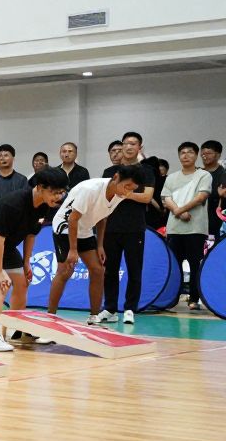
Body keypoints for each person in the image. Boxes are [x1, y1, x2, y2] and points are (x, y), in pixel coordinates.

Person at [0, 167, 69, 352]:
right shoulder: (13, 204)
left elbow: (31, 234)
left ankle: (19, 330)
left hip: (7, 245)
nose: (58, 197)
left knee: (22, 282)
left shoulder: (45, 205)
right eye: (54, 192)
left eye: (61, 193)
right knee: (2, 284)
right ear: (40, 187)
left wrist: (26, 262)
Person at [49, 167, 143, 322]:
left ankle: (93, 316)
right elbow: (72, 219)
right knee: (65, 270)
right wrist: (73, 250)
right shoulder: (90, 189)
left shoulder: (120, 194)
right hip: (65, 226)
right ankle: (50, 316)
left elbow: (103, 217)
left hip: (84, 228)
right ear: (116, 177)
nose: (127, 193)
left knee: (98, 270)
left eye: (131, 190)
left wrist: (100, 245)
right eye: (126, 187)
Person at [100, 132, 156, 324]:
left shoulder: (146, 171)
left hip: (135, 227)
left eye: (133, 143)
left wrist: (124, 193)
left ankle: (130, 308)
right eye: (126, 144)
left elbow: (147, 197)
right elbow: (105, 196)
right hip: (111, 227)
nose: (129, 147)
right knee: (110, 270)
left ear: (139, 147)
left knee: (134, 269)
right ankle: (110, 308)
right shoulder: (110, 172)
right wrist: (127, 192)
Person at [163, 142, 213, 310]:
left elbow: (201, 197)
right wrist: (178, 211)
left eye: (190, 152)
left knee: (194, 263)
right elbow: (166, 198)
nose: (185, 155)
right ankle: (172, 298)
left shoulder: (204, 175)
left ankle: (194, 298)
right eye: (182, 152)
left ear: (196, 155)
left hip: (195, 228)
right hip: (175, 228)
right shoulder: (171, 178)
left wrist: (180, 210)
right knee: (174, 265)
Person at [0, 144, 30, 214]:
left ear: (13, 158)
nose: (2, 158)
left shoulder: (22, 179)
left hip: (14, 219)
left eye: (6, 155)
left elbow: (26, 202)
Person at [201, 140, 224, 241]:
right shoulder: (198, 173)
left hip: (217, 220)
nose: (205, 156)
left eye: (209, 153)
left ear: (218, 155)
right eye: (203, 154)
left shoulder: (223, 174)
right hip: (199, 220)